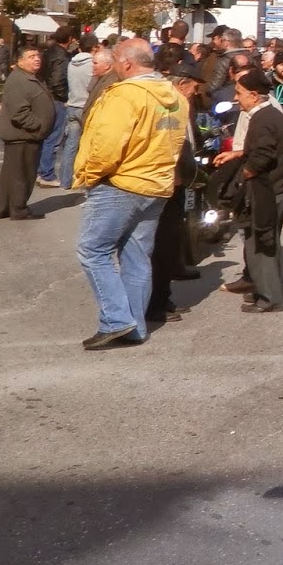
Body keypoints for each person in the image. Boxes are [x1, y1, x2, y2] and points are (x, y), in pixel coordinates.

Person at [71, 39, 188, 350]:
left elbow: (107, 145)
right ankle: (133, 327)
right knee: (136, 256)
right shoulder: (176, 97)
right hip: (156, 184)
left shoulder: (124, 96)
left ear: (125, 64)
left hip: (120, 183)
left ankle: (117, 319)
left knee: (93, 250)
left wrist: (90, 174)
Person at [214, 69, 283, 312]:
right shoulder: (268, 114)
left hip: (268, 191)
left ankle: (270, 299)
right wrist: (237, 153)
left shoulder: (263, 118)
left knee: (262, 244)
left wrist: (241, 176)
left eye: (239, 93)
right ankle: (264, 289)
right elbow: (262, 148)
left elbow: (261, 158)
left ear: (255, 95)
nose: (236, 98)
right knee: (263, 243)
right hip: (276, 188)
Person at [147, 56, 205, 327]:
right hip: (166, 185)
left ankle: (163, 296)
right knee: (161, 246)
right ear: (182, 84)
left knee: (169, 245)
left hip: (178, 183)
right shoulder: (168, 107)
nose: (196, 93)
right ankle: (155, 303)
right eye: (193, 87)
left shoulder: (183, 105)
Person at [0, 45, 54, 221]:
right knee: (21, 175)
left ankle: (1, 208)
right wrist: (38, 126)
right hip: (23, 135)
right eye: (31, 56)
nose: (37, 59)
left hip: (27, 136)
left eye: (38, 55)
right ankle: (18, 209)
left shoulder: (29, 77)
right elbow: (19, 112)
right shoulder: (18, 79)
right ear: (20, 61)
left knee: (11, 175)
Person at [56, 33, 98, 190]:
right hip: (87, 107)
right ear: (94, 47)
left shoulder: (71, 63)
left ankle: (65, 180)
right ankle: (85, 180)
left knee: (71, 145)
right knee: (89, 146)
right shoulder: (92, 64)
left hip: (72, 105)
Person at [35, 26, 74, 189]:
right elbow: (58, 79)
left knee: (45, 137)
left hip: (44, 96)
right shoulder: (61, 56)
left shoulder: (48, 52)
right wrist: (63, 97)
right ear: (70, 39)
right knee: (53, 138)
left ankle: (40, 171)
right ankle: (46, 174)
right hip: (56, 99)